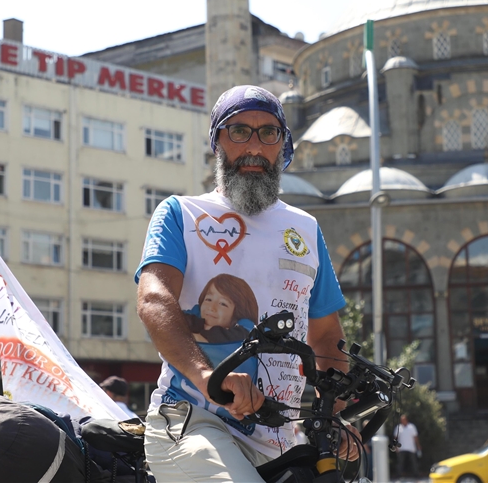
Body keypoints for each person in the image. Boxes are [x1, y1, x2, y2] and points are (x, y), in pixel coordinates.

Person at [135, 85, 357, 481]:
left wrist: (335, 415)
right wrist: (208, 379)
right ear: (216, 142)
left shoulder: (304, 228)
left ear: (282, 146)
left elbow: (325, 338)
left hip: (281, 440)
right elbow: (154, 299)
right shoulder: (180, 213)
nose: (254, 146)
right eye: (239, 131)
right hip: (191, 422)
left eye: (268, 132)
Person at [393, 414, 421, 478]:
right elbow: (395, 438)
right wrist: (395, 447)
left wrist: (418, 445)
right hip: (401, 448)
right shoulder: (398, 427)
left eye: (403, 419)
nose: (402, 421)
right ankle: (398, 475)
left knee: (414, 462)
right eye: (401, 420)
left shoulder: (412, 427)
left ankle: (416, 475)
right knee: (400, 463)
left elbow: (415, 437)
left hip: (411, 448)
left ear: (406, 420)